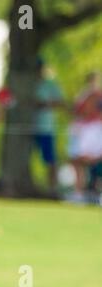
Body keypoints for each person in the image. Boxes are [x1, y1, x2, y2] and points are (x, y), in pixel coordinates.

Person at [67, 72, 102, 202]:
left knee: (95, 160)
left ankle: (89, 192)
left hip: (94, 130)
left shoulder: (95, 95)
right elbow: (78, 111)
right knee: (79, 161)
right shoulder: (85, 95)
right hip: (84, 130)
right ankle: (79, 193)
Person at [33, 57, 65, 195]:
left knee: (50, 159)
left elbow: (61, 103)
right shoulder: (28, 84)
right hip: (28, 128)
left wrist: (44, 104)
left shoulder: (51, 85)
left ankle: (52, 189)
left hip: (45, 127)